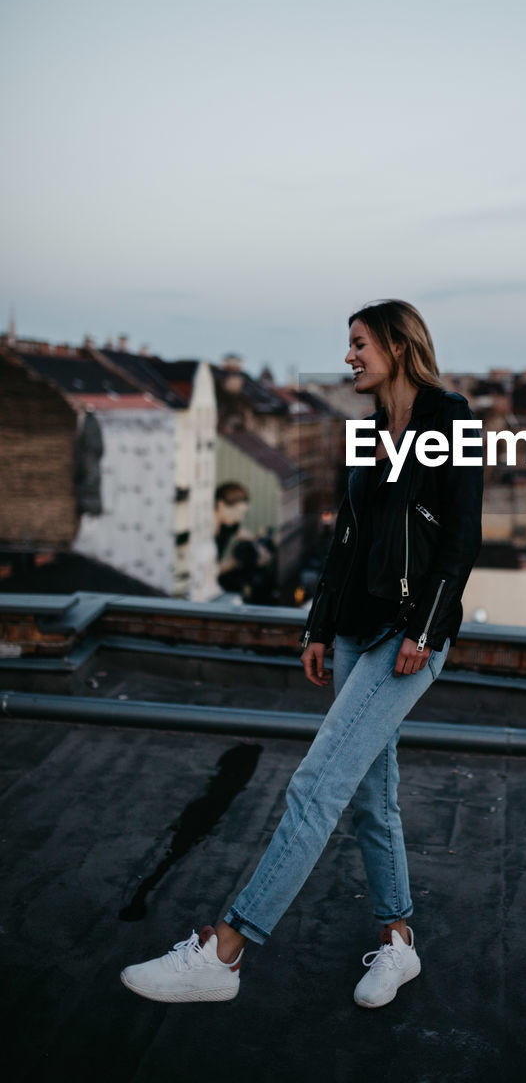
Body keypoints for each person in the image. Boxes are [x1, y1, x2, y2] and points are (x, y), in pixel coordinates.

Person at [120, 299, 484, 1008]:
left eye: (357, 343)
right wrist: (316, 628)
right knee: (371, 798)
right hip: (353, 631)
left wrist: (426, 630)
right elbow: (345, 539)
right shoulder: (368, 429)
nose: (347, 356)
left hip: (407, 638)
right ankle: (397, 944)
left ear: (396, 345)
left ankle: (225, 950)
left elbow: (460, 538)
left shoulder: (451, 418)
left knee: (316, 786)